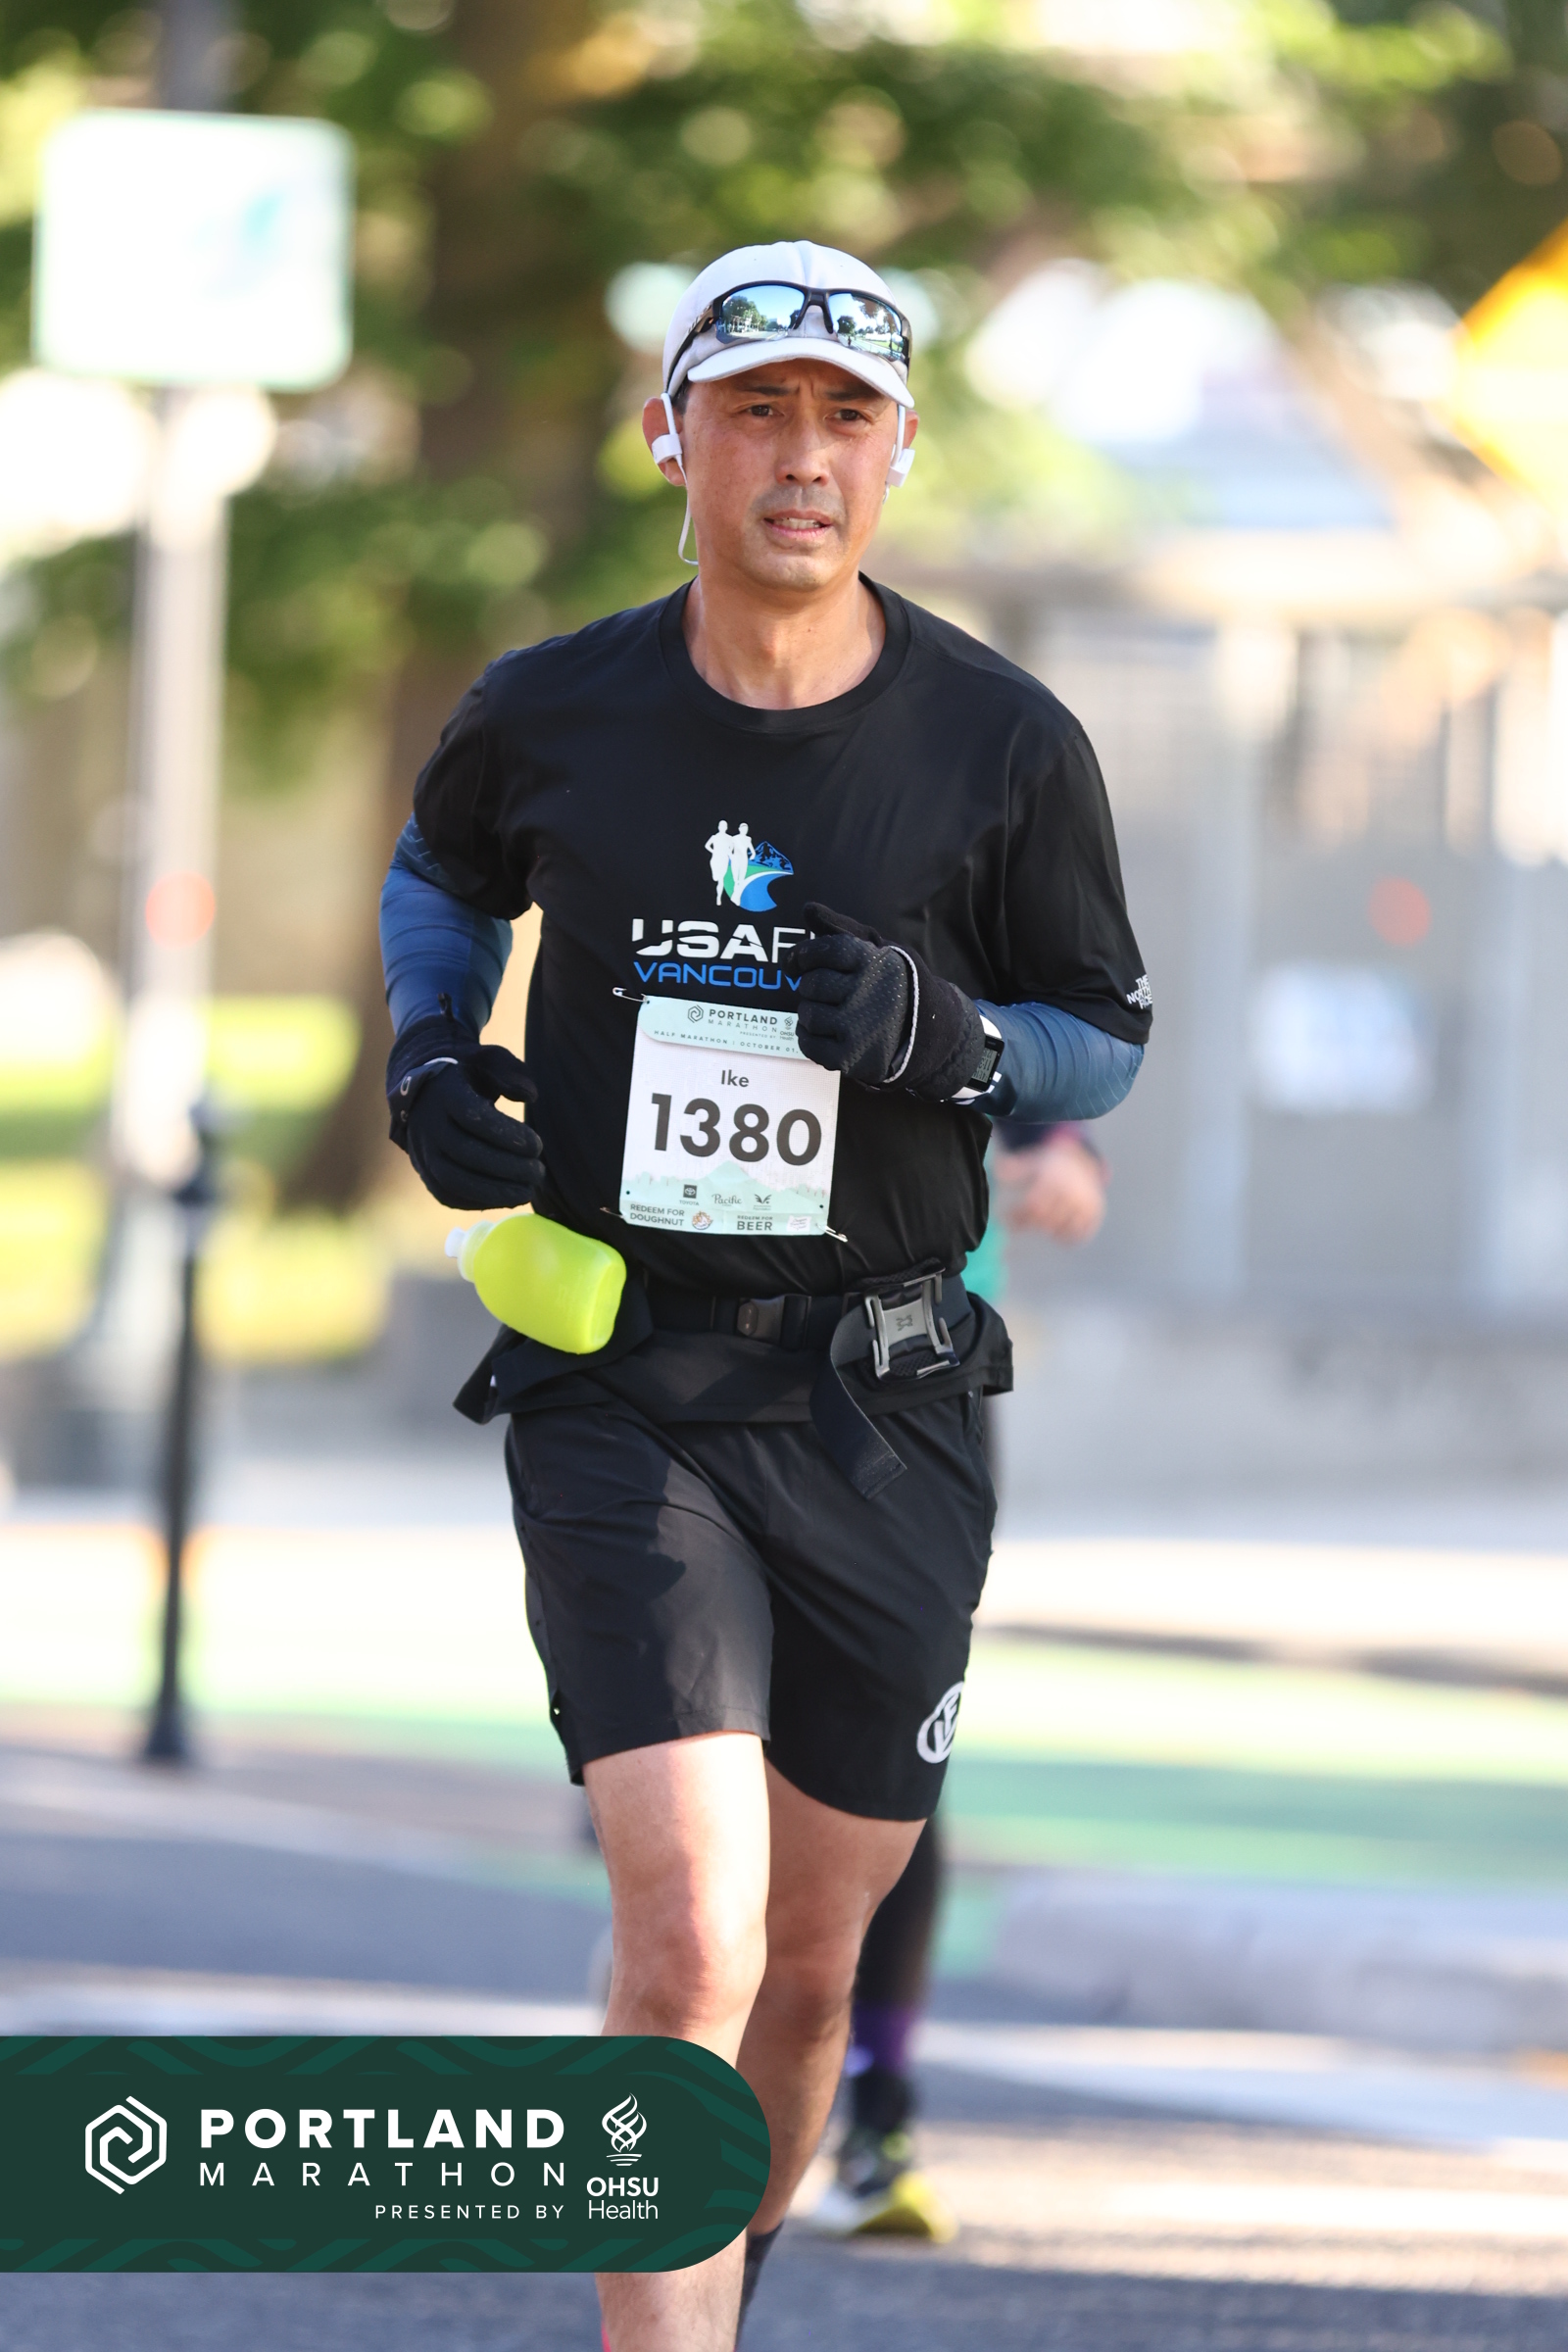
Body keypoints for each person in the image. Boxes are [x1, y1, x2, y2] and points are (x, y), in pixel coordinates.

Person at [377, 237, 1151, 2352]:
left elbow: (1099, 1036)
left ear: (898, 455)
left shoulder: (1002, 741)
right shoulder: (551, 708)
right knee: (690, 1940)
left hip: (886, 1405)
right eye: (755, 411)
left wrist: (946, 1036)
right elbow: (441, 875)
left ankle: (721, 2261)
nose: (800, 458)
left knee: (808, 1972)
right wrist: (431, 1054)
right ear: (674, 438)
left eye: (843, 417)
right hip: (621, 1382)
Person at [815, 1122, 1109, 2241]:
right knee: (713, 1741)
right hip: (703, 1339)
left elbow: (1030, 1044)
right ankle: (684, 1994)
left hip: (920, 1363)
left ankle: (878, 2116)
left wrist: (1065, 1143)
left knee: (891, 1762)